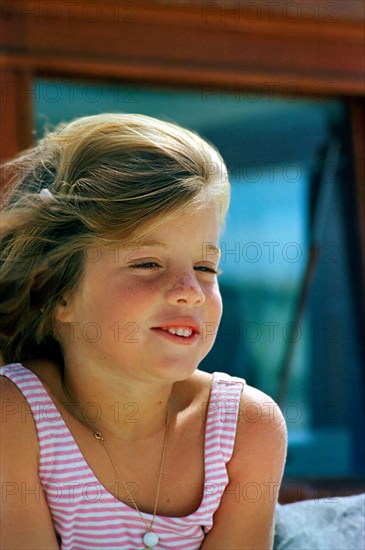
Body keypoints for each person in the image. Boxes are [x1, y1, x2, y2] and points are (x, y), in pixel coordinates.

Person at [0, 113, 287, 549]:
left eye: (205, 267)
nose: (190, 292)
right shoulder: (15, 419)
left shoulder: (246, 428)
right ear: (54, 292)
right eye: (147, 264)